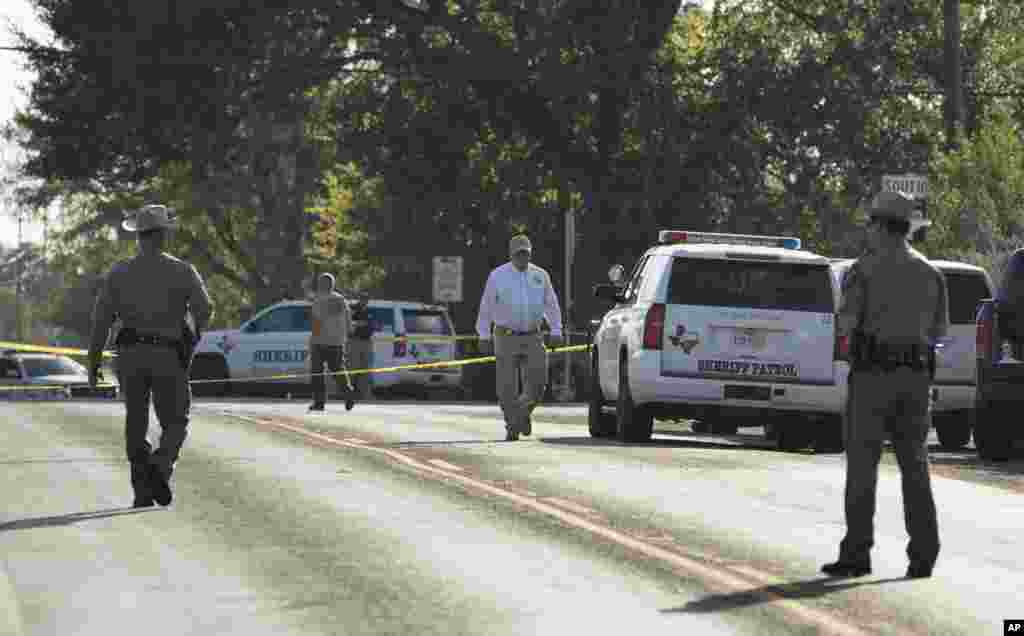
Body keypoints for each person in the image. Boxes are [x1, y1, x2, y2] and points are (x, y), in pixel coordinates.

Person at [822, 191, 949, 579]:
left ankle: (857, 552)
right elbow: (939, 331)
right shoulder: (931, 273)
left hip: (872, 379)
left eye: (870, 225)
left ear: (879, 226)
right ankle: (923, 554)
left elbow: (845, 324)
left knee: (863, 467)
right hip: (915, 381)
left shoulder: (863, 270)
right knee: (916, 467)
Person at [88, 204, 213, 508]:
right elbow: (204, 310)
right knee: (176, 420)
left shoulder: (119, 273)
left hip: (130, 355)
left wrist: (93, 363)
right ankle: (160, 465)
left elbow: (101, 322)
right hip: (168, 354)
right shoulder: (182, 270)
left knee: (136, 420)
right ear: (164, 235)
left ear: (139, 236)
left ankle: (142, 490)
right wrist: (191, 340)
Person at [475, 235, 564, 441]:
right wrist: (483, 334)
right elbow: (486, 307)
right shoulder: (498, 276)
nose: (522, 257)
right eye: (518, 253)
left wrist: (556, 329)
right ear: (511, 255)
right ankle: (513, 425)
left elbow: (551, 304)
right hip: (505, 335)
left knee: (539, 383)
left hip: (533, 335)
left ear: (530, 253)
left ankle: (520, 415)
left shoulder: (541, 275)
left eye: (526, 253)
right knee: (506, 388)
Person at [308, 273, 356, 412]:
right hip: (337, 342)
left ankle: (319, 402)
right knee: (338, 370)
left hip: (320, 341)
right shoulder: (341, 299)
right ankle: (348, 393)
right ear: (333, 285)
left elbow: (316, 322)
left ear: (322, 284)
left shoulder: (319, 300)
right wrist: (345, 335)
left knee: (317, 373)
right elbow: (349, 321)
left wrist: (313, 339)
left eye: (320, 282)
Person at [348, 297, 374, 399]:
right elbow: (348, 322)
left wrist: (368, 325)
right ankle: (348, 392)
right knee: (352, 368)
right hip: (355, 341)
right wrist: (359, 324)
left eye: (366, 299)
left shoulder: (368, 310)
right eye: (363, 299)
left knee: (365, 368)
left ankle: (365, 394)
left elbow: (370, 324)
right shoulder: (353, 309)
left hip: (366, 341)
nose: (365, 301)